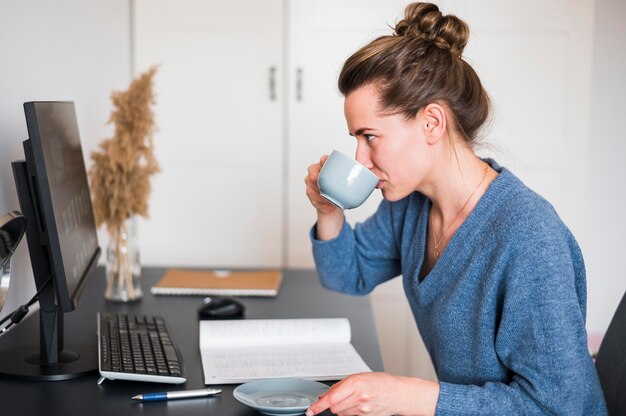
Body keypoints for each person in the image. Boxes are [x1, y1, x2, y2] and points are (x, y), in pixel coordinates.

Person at [304, 3, 607, 415]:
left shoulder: (529, 236)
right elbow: (348, 275)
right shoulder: (411, 204)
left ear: (432, 122)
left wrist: (408, 396)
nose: (361, 157)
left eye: (370, 136)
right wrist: (329, 210)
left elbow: (558, 408)